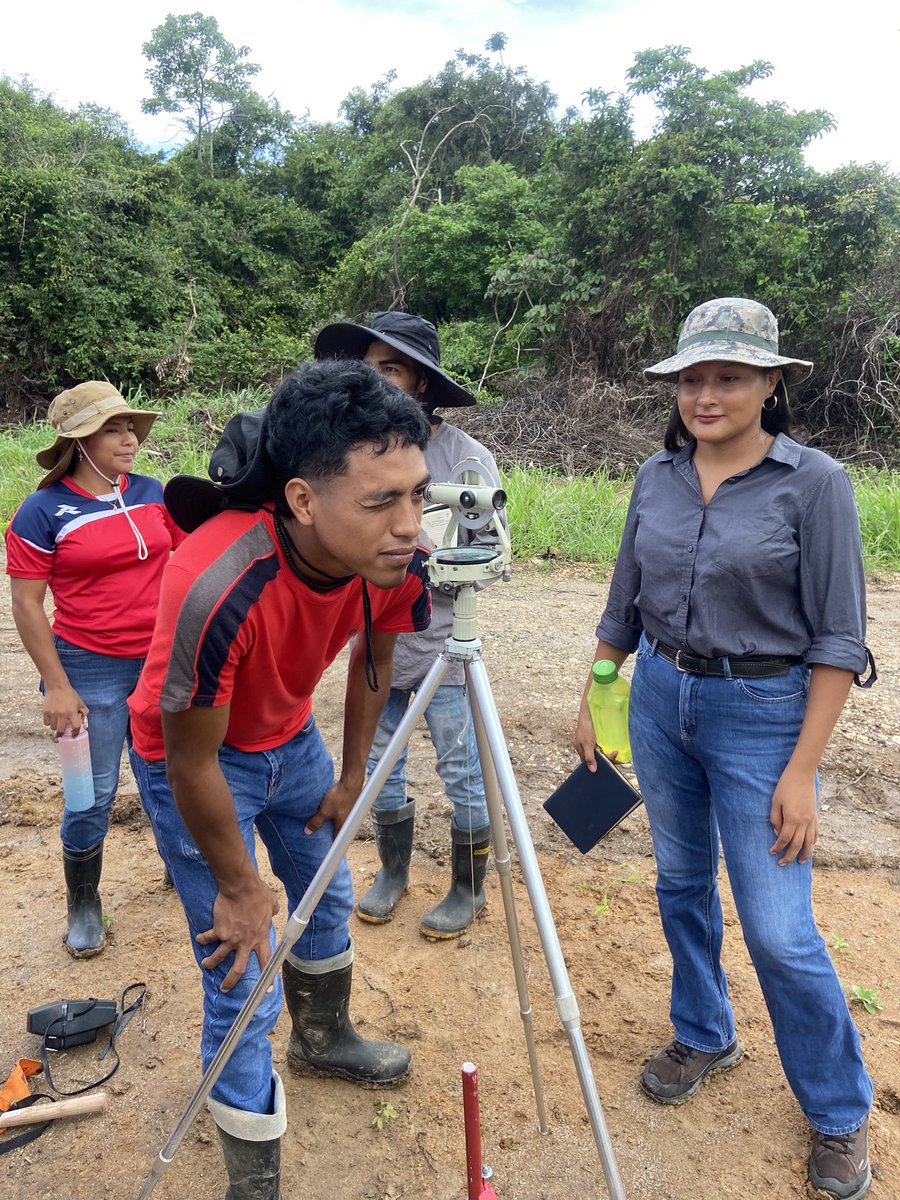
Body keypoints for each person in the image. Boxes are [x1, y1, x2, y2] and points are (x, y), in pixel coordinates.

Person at [574, 298, 875, 1200]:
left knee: (781, 931)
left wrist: (802, 770)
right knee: (677, 882)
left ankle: (838, 1110)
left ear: (771, 383)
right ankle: (704, 1030)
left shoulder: (814, 484)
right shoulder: (655, 477)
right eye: (692, 378)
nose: (706, 395)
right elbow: (625, 599)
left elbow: (839, 640)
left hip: (765, 712)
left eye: (729, 377)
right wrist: (596, 689)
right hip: (663, 697)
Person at [127, 359, 431, 1198]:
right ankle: (252, 1177)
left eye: (417, 493)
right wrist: (237, 882)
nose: (409, 525)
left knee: (327, 894)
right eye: (381, 502)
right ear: (302, 499)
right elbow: (188, 757)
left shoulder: (396, 558)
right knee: (245, 961)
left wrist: (354, 774)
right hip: (193, 760)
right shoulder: (217, 584)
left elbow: (376, 653)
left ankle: (323, 1040)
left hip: (292, 741)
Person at [315, 312, 502, 939]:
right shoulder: (347, 452)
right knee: (377, 766)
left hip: (443, 647)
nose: (377, 380)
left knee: (464, 771)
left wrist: (434, 558)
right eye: (367, 368)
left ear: (422, 382)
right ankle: (393, 873)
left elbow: (494, 552)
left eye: (390, 368)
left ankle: (467, 888)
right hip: (373, 641)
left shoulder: (467, 460)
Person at [5, 381, 183, 958]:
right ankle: (83, 901)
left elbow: (188, 561)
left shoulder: (154, 493)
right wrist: (57, 685)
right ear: (79, 441)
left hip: (159, 661)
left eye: (131, 426)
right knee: (91, 793)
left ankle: (180, 868)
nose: (131, 437)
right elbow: (27, 604)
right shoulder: (42, 511)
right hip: (87, 666)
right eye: (115, 428)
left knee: (173, 777)